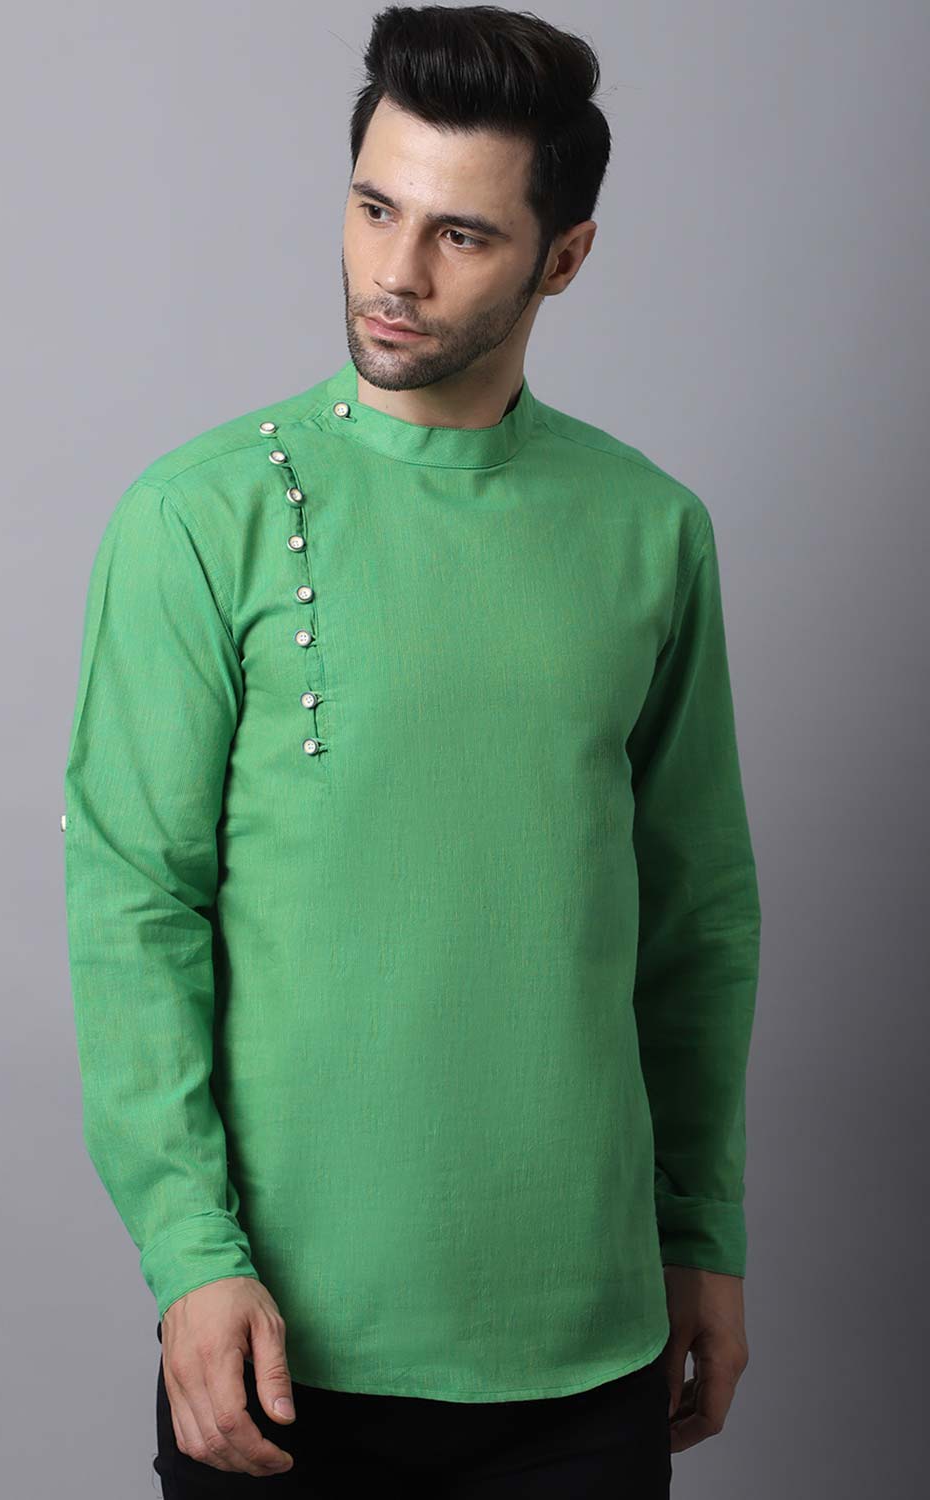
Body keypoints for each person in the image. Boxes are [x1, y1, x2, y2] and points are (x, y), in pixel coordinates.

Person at [61, 6, 761, 1496]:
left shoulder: (650, 532)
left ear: (563, 258)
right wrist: (188, 1255)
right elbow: (132, 907)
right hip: (278, 1349)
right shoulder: (198, 517)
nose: (394, 271)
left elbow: (699, 919)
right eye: (374, 207)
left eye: (462, 234)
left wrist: (703, 1232)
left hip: (588, 1348)